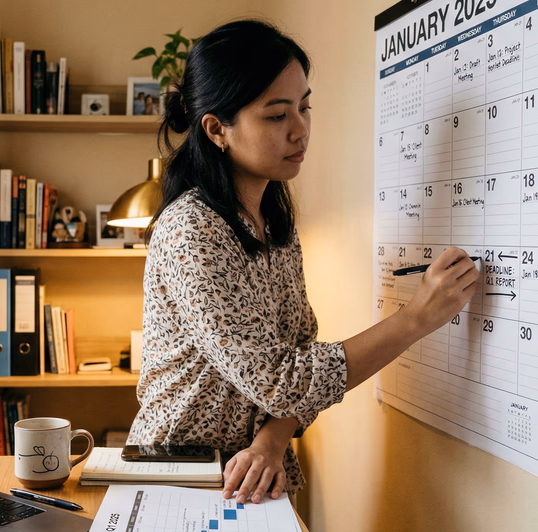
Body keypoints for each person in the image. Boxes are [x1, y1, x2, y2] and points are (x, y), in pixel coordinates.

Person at [127, 19, 479, 505]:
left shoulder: (273, 220)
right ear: (216, 129)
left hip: (254, 471)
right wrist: (416, 318)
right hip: (179, 475)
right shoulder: (192, 232)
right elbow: (283, 378)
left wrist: (270, 440)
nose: (300, 129)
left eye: (304, 107)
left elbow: (298, 352)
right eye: (276, 116)